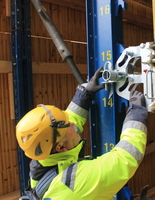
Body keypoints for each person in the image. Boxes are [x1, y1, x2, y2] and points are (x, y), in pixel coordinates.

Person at [16, 67, 148, 200]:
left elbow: (67, 122)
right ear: (61, 147)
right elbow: (125, 158)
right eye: (68, 127)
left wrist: (84, 94)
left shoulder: (43, 156)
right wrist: (137, 113)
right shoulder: (75, 183)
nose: (73, 124)